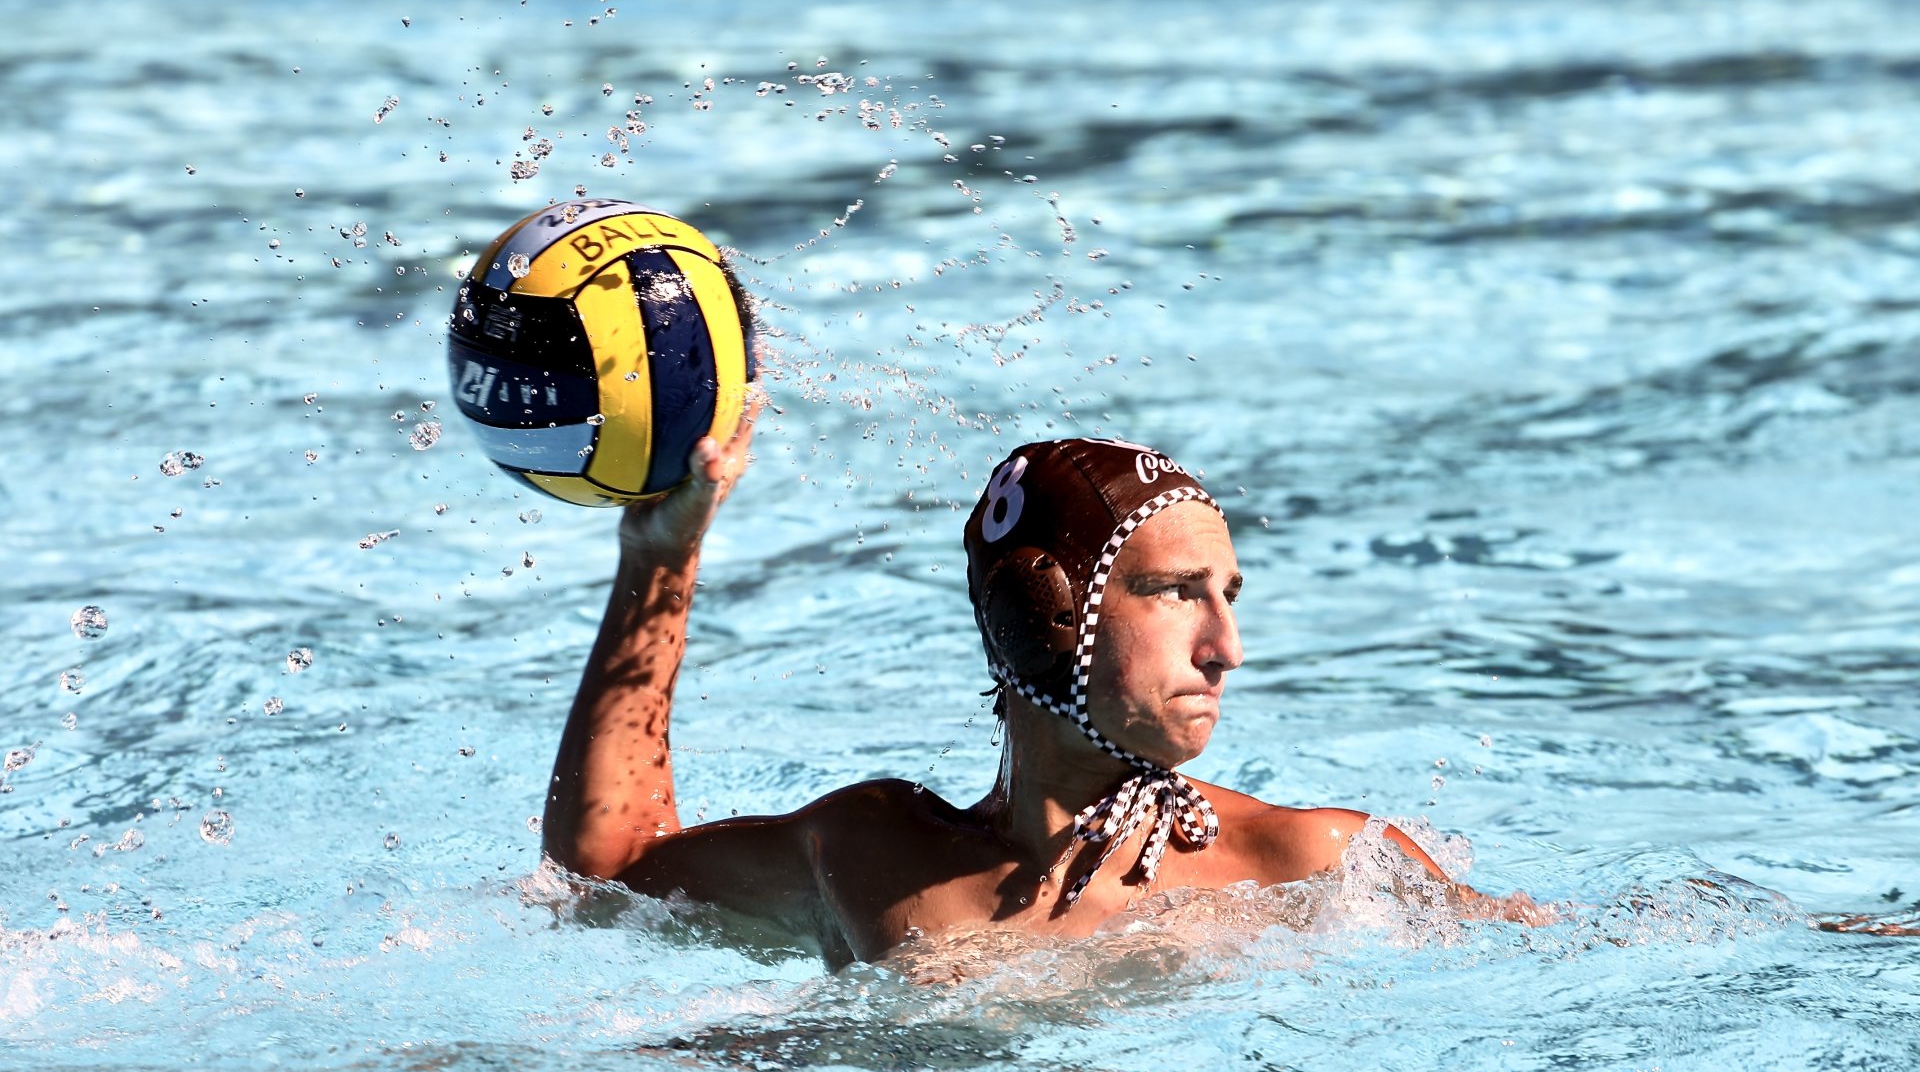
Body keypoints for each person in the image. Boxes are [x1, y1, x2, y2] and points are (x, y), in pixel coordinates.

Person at [541, 399, 1546, 969]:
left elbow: (1545, 957)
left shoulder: (1313, 860)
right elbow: (600, 882)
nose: (1227, 647)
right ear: (1044, 615)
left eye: (1228, 595)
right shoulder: (874, 855)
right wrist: (662, 558)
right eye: (1173, 593)